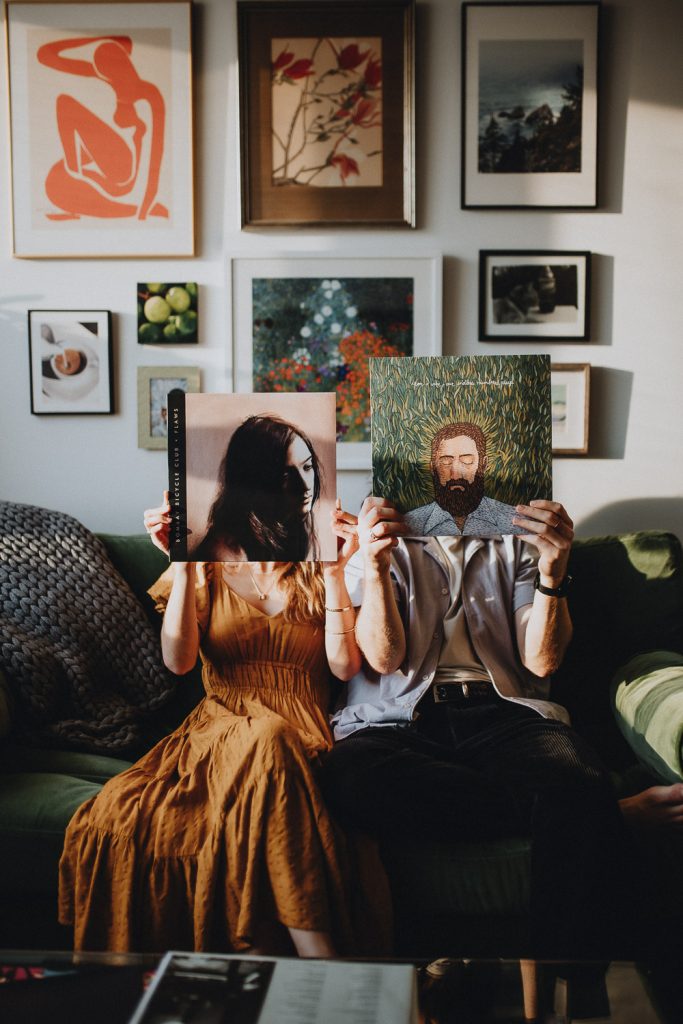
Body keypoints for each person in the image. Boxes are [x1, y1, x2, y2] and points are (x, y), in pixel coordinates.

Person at [318, 495, 661, 960]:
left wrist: (552, 575)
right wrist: (375, 566)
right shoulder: (374, 535)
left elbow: (542, 661)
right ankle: (601, 813)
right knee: (349, 779)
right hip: (397, 718)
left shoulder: (516, 542)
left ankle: (567, 988)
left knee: (576, 775)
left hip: (500, 712)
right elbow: (385, 659)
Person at [57, 492, 390, 957]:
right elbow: (178, 662)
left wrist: (334, 573)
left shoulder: (321, 564)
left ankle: (299, 961)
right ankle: (318, 960)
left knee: (271, 736)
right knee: (117, 816)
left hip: (300, 728)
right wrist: (187, 561)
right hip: (217, 730)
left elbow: (344, 668)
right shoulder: (205, 565)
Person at [36, 35, 167, 222]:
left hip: (124, 172)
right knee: (54, 183)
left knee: (65, 104)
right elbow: (45, 55)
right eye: (102, 72)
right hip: (106, 167)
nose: (108, 78)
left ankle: (76, 175)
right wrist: (101, 38)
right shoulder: (104, 79)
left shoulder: (148, 94)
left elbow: (156, 155)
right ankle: (76, 189)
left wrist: (145, 209)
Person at [193, 415, 322, 562]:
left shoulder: (290, 530)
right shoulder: (225, 553)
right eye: (285, 475)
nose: (305, 485)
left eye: (307, 467)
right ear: (256, 481)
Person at [404, 422, 519, 537]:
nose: (456, 475)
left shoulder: (516, 522)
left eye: (467, 460)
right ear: (433, 468)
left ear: (483, 465)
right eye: (446, 461)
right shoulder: (407, 525)